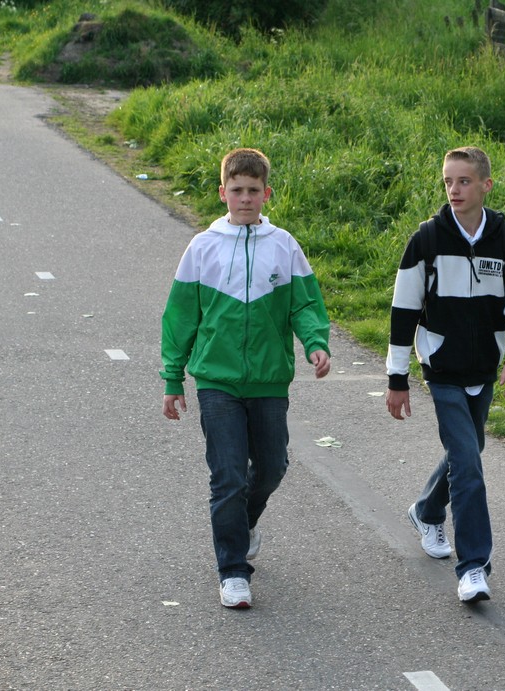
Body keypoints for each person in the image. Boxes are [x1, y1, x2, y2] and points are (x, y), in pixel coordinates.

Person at [161, 148, 331, 609]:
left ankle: (245, 522)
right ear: (223, 193)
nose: (245, 198)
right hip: (216, 382)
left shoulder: (284, 245)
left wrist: (315, 342)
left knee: (273, 467)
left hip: (269, 382)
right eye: (237, 190)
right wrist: (173, 378)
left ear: (266, 194)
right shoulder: (203, 247)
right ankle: (233, 571)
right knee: (229, 477)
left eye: (254, 190)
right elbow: (180, 317)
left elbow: (305, 304)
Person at [386, 146, 505, 603]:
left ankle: (427, 510)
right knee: (469, 465)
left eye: (464, 181)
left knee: (469, 449)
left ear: (486, 185)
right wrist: (397, 378)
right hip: (442, 367)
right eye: (448, 181)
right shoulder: (427, 239)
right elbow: (403, 310)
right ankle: (473, 567)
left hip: (484, 367)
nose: (454, 189)